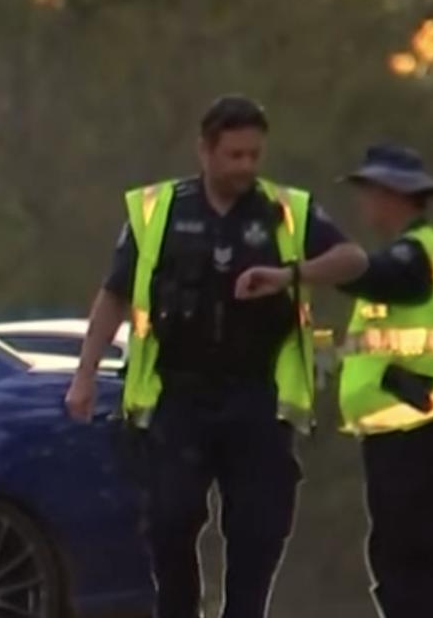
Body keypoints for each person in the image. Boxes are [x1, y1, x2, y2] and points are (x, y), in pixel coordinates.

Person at [65, 95, 368, 618]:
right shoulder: (159, 211)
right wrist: (84, 375)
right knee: (169, 518)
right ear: (205, 151)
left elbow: (353, 258)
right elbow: (114, 293)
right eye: (234, 155)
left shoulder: (285, 211)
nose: (246, 167)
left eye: (254, 155)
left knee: (259, 525)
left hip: (256, 395)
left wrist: (288, 275)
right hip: (179, 395)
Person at [335, 145, 433, 618]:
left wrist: (323, 263)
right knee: (399, 559)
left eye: (369, 193)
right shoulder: (410, 251)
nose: (364, 205)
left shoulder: (413, 255)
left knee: (408, 563)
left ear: (393, 196)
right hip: (402, 428)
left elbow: (380, 278)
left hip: (412, 428)